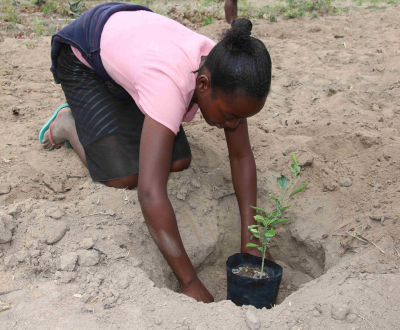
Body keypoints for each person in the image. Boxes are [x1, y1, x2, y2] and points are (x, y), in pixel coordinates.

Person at [39, 3, 272, 303]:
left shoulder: (229, 68)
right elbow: (150, 193)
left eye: (241, 117)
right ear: (203, 84)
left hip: (135, 51)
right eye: (229, 116)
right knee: (125, 175)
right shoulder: (170, 85)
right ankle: (69, 124)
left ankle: (120, 111)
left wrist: (251, 243)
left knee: (178, 160)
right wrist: (189, 281)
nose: (233, 124)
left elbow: (241, 157)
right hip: (83, 55)